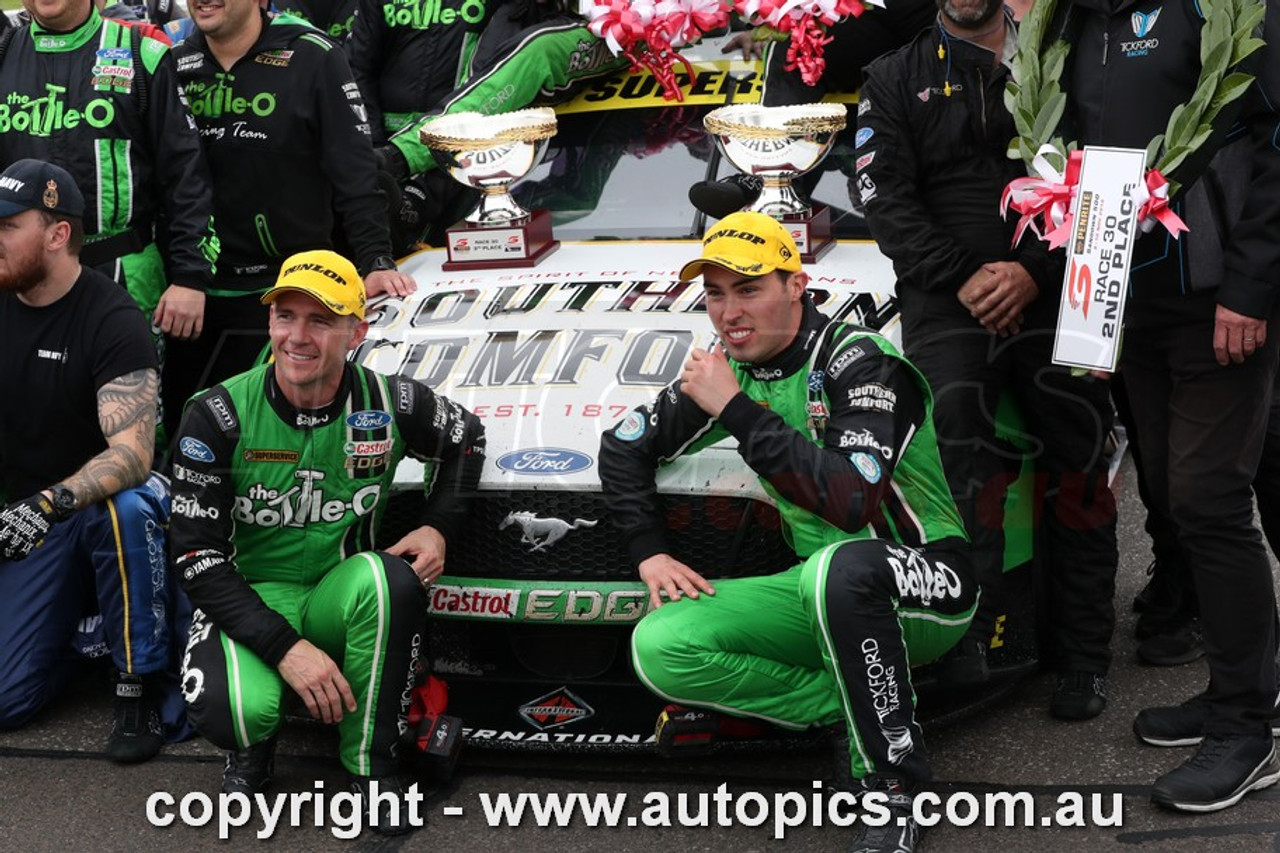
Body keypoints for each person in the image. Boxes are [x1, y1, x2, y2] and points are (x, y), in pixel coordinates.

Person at [599, 212, 977, 853]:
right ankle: (861, 709)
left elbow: (851, 502)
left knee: (841, 567)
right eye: (714, 294)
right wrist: (650, 551)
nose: (728, 313)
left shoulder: (861, 362)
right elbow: (621, 448)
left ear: (797, 285)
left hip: (927, 579)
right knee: (660, 644)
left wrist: (736, 410)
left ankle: (892, 787)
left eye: (748, 290)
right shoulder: (730, 369)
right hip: (821, 591)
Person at [1041, 0, 1280, 813]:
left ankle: (1248, 728)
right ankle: (1234, 690)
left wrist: (1251, 285)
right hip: (1126, 304)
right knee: (1174, 500)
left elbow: (1276, 142)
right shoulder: (1068, 19)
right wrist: (1089, 313)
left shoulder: (1229, 8)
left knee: (1211, 499)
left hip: (1220, 302)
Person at [855, 0, 1119, 719]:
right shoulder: (891, 76)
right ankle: (970, 637)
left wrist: (1034, 269)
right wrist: (966, 275)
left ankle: (1084, 655)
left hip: (1059, 284)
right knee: (954, 450)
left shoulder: (1064, 58)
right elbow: (885, 200)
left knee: (1081, 455)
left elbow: (1102, 175)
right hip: (948, 298)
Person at [170, 249, 484, 834]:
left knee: (392, 580)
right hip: (249, 595)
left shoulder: (392, 401)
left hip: (340, 594)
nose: (298, 336)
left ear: (357, 331)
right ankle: (253, 747)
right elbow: (194, 556)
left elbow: (469, 437)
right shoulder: (217, 415)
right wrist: (288, 648)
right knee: (228, 710)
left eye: (321, 320)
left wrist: (440, 524)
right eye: (285, 316)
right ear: (269, 323)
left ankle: (372, 766)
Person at [0, 159, 185, 763]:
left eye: (7, 225)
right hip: (9, 518)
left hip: (71, 515)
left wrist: (48, 504)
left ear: (57, 234)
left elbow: (133, 453)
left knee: (129, 505)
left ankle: (138, 683)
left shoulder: (112, 317)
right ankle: (79, 645)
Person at [166, 0, 415, 439]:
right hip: (193, 297)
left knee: (277, 447)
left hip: (286, 297)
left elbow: (356, 172)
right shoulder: (172, 64)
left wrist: (376, 259)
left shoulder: (314, 56)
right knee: (190, 443)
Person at [0, 0, 218, 353]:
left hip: (125, 272)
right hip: (26, 278)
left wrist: (191, 277)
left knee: (127, 404)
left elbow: (185, 173)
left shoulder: (141, 52)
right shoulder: (5, 51)